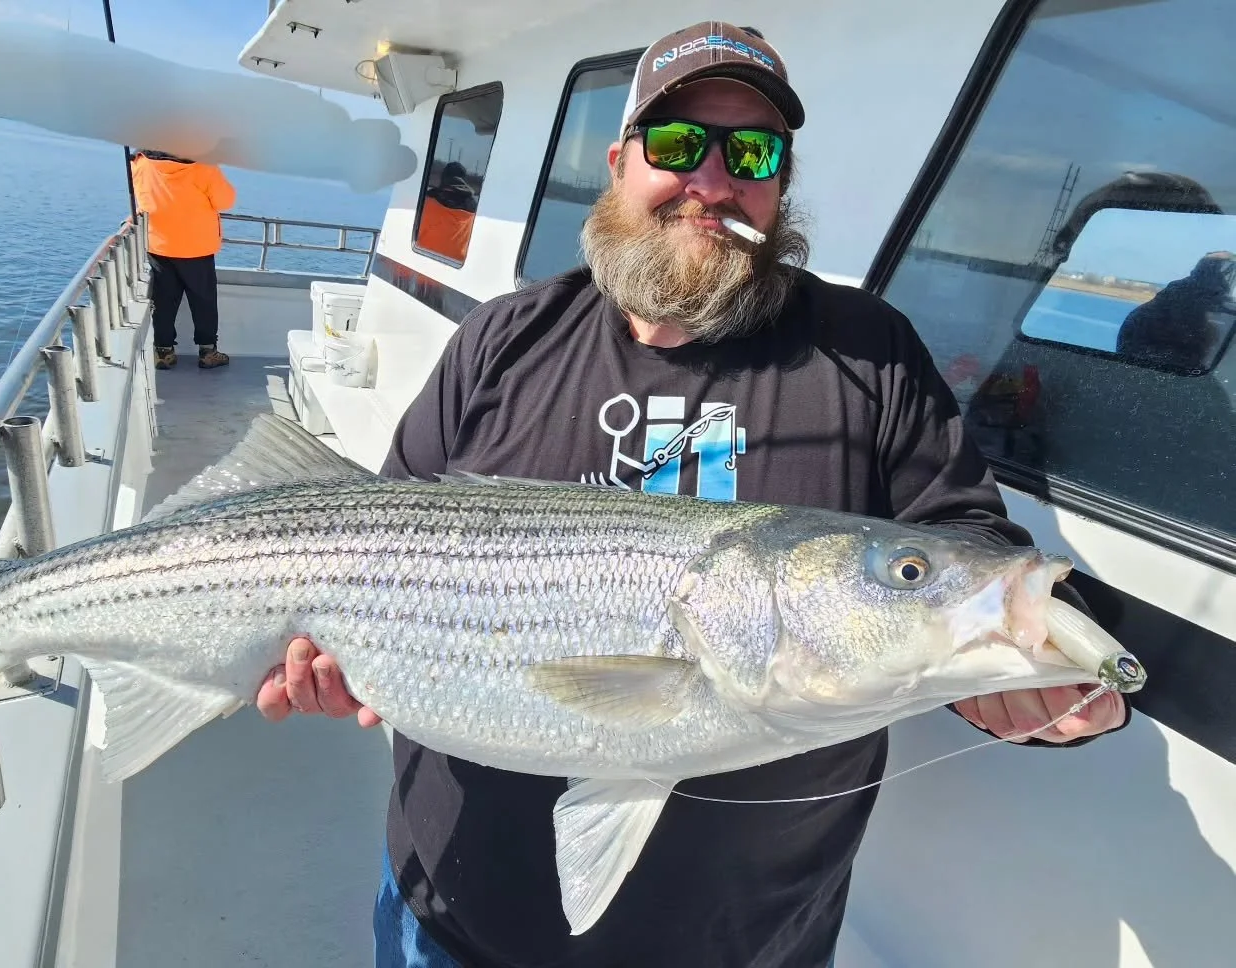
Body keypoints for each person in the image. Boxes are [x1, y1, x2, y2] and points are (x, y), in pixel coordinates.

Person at [255, 22, 1130, 968]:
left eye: (752, 152)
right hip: (454, 908)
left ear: (780, 182)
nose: (711, 182)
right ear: (619, 161)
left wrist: (1023, 680)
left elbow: (962, 543)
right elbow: (372, 540)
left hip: (750, 937)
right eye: (676, 145)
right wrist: (336, 645)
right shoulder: (505, 337)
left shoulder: (866, 348)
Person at [130, 148, 236, 370]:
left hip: (159, 245)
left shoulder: (141, 163)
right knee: (204, 302)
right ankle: (208, 351)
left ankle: (163, 352)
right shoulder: (204, 167)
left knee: (164, 302)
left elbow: (140, 197)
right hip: (197, 248)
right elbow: (226, 200)